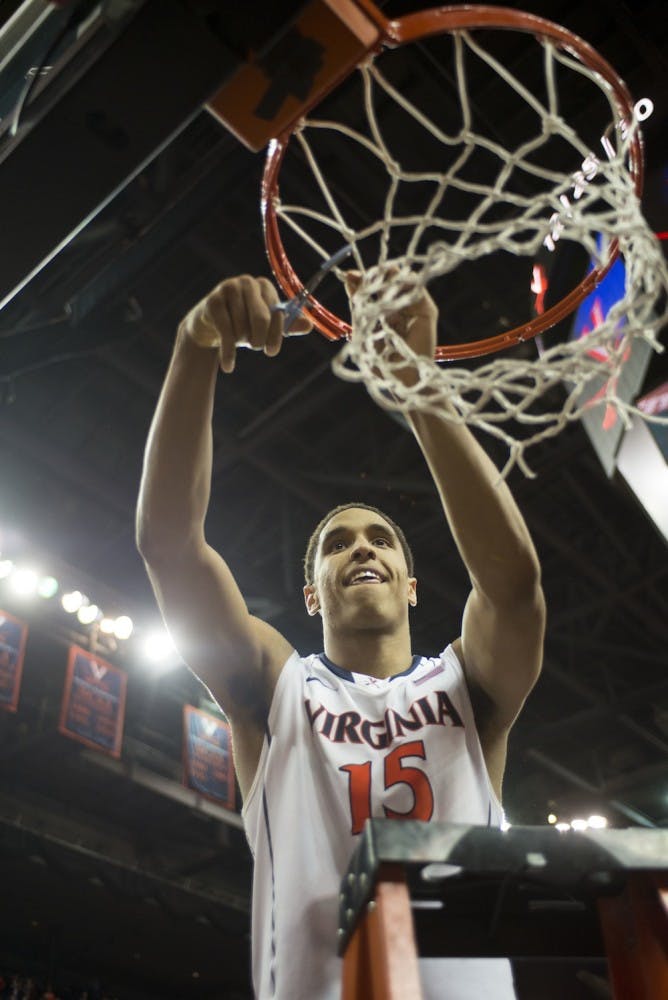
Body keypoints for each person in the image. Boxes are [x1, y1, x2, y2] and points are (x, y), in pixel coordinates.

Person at [136, 273, 546, 1000]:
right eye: (337, 543)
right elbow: (168, 545)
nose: (363, 548)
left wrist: (416, 388)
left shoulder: (467, 688)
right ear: (310, 591)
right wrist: (193, 347)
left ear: (410, 584)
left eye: (382, 538)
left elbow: (513, 587)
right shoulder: (274, 686)